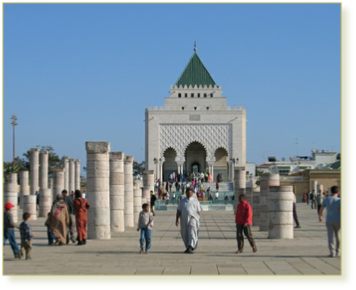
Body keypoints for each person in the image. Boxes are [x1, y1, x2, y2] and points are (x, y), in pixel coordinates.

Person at [176, 188, 202, 254]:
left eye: (190, 193)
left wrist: (198, 220)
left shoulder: (195, 201)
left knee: (192, 231)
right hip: (184, 219)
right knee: (185, 233)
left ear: (192, 193)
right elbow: (179, 211)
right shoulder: (182, 201)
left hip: (193, 218)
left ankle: (191, 246)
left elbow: (199, 211)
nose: (189, 194)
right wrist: (177, 219)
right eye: (188, 193)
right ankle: (188, 245)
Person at [319, 186, 340, 257]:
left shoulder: (326, 200)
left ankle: (332, 252)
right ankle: (338, 250)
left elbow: (321, 209)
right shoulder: (339, 200)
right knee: (338, 236)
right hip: (338, 220)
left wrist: (320, 216)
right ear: (338, 192)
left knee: (330, 236)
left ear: (331, 192)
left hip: (329, 220)